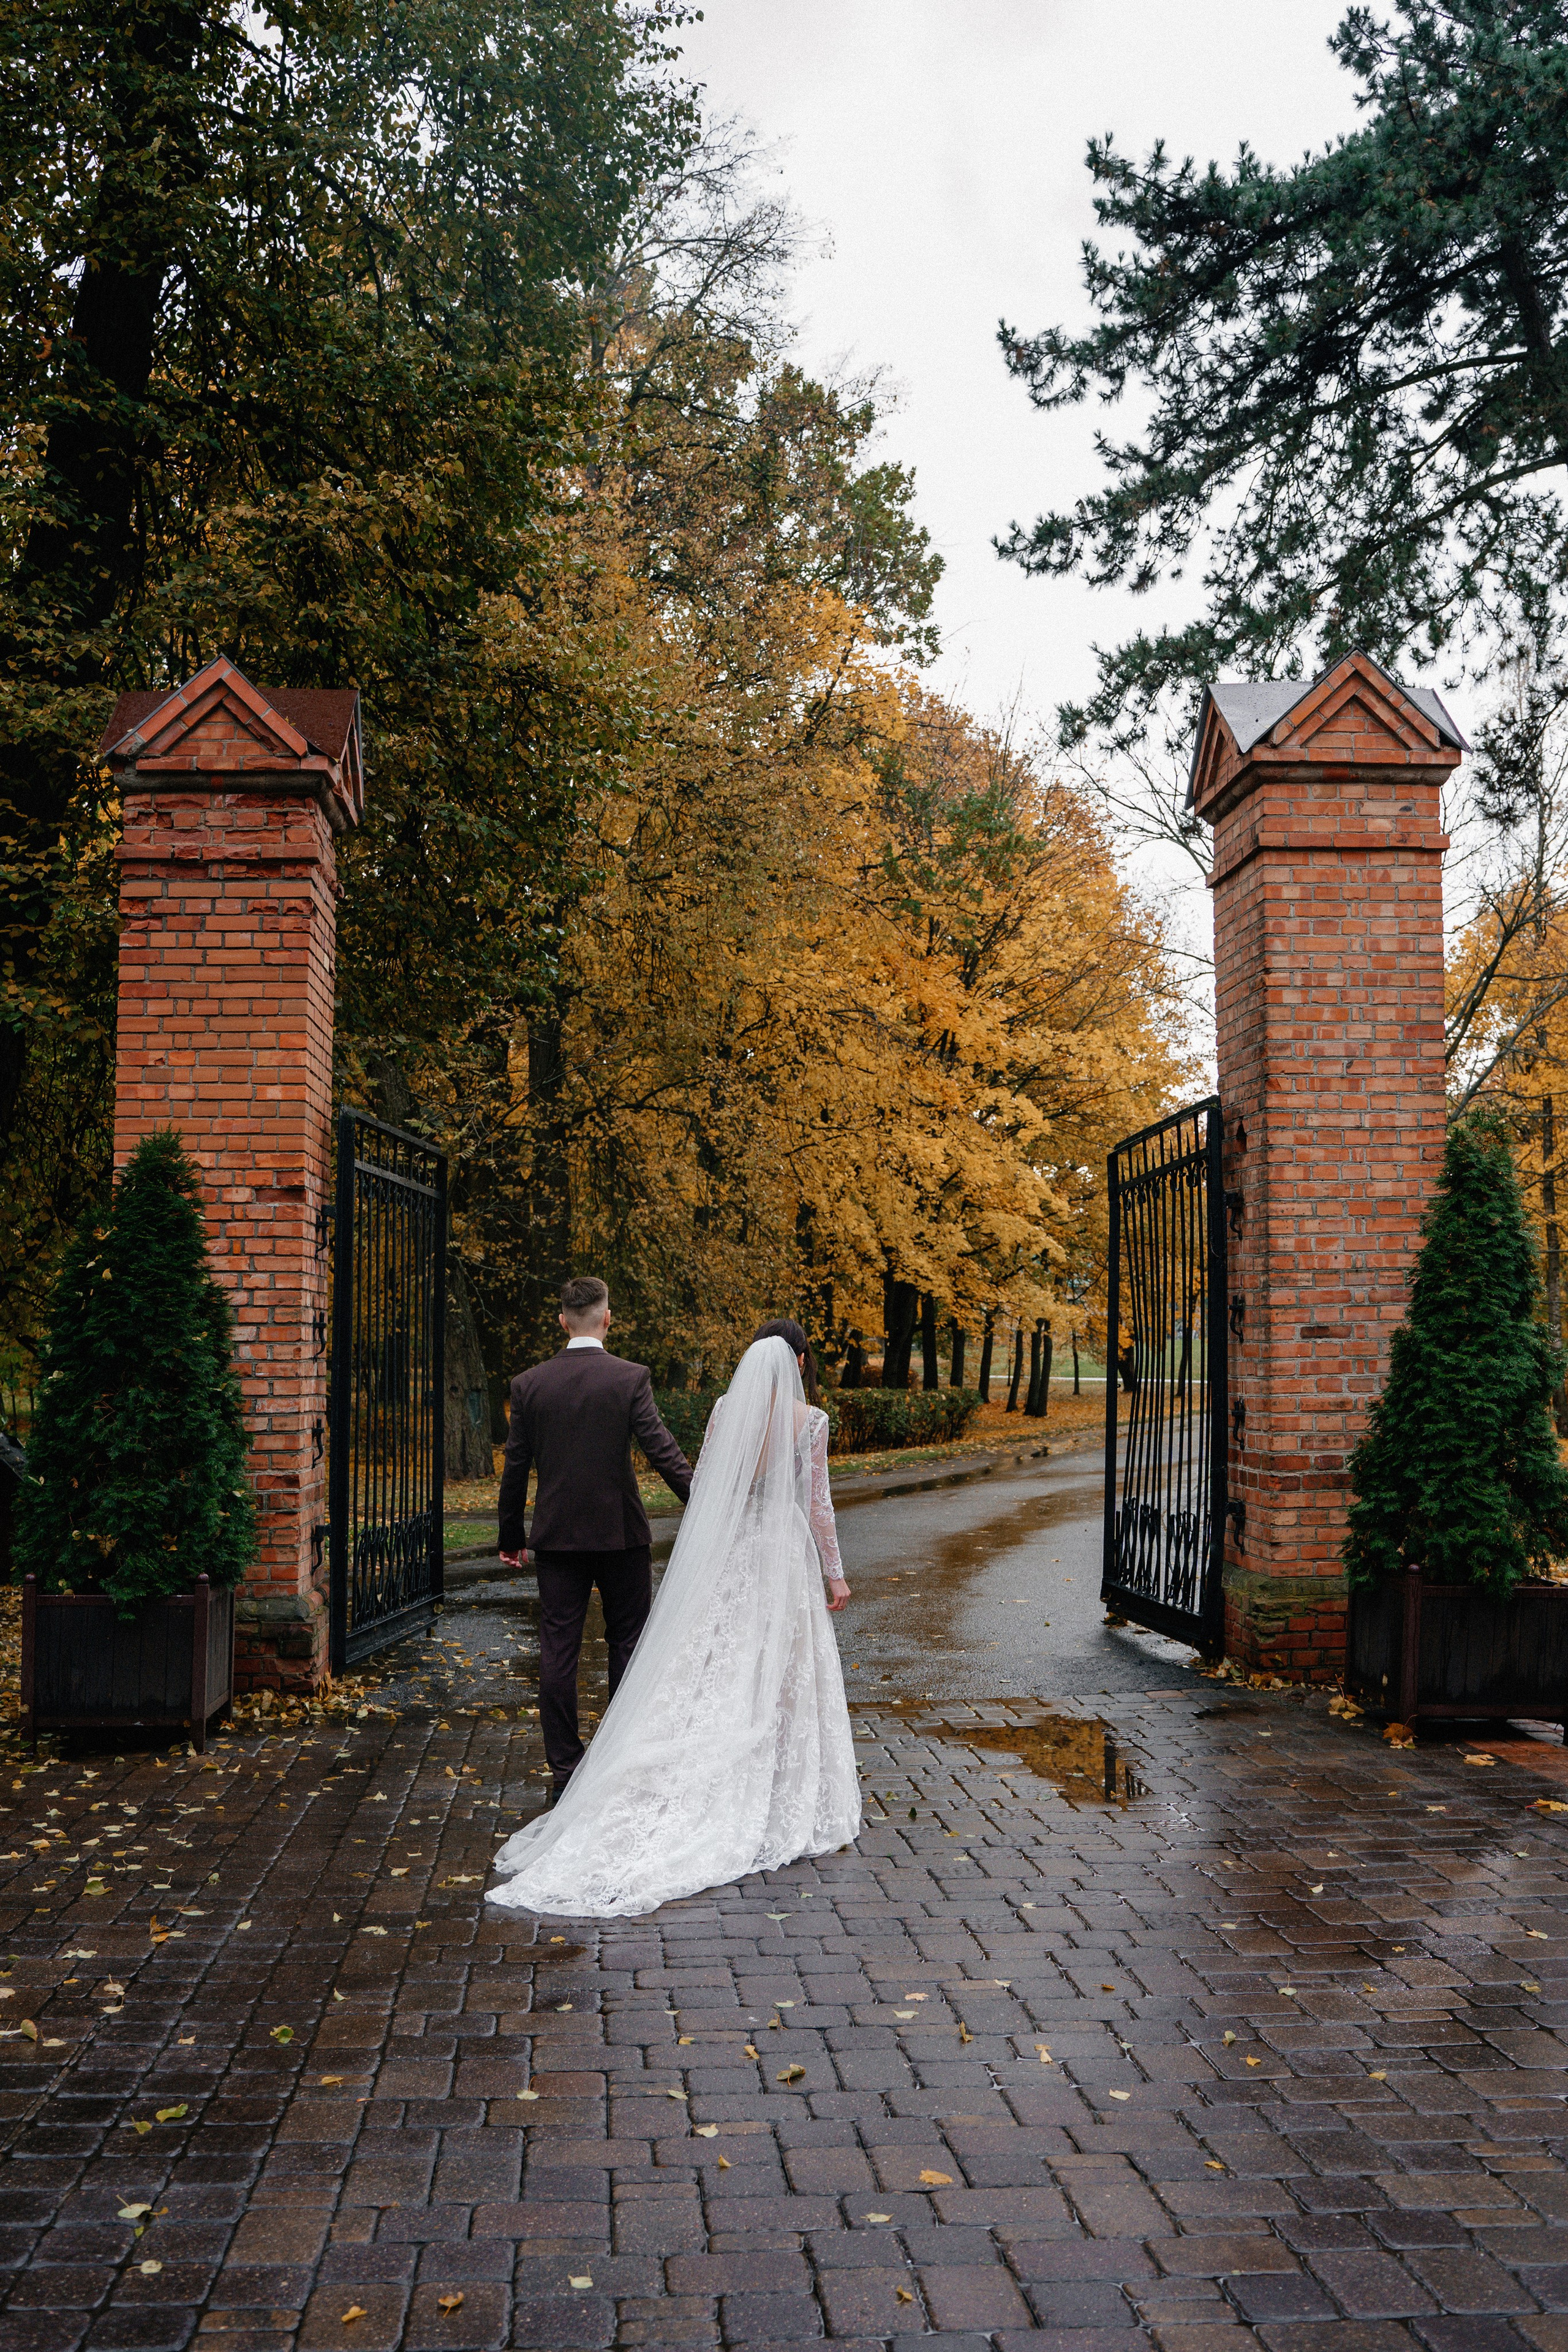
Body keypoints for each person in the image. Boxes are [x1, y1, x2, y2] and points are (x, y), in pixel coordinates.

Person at [487, 1318, 858, 1919]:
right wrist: (834, 1573)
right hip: (780, 1552)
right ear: (796, 1360)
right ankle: (778, 1780)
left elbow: (708, 1485)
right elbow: (818, 1506)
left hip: (734, 1547)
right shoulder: (808, 1421)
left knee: (718, 1663)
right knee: (778, 1662)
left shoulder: (723, 1410)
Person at [496, 1276, 694, 1803]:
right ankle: (623, 1759)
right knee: (627, 1644)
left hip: (558, 1536)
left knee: (557, 1647)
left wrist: (511, 1535)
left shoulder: (530, 1384)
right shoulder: (629, 1378)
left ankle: (565, 1770)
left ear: (562, 1320)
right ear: (607, 1319)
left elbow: (516, 1467)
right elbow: (661, 1450)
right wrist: (703, 1501)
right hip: (621, 1534)